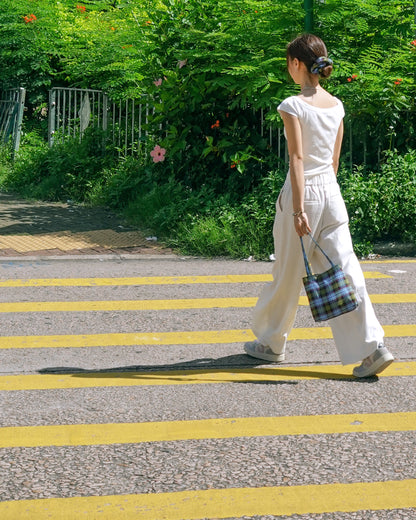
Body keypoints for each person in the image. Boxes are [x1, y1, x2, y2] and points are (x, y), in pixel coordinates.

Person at [244, 33, 394, 378]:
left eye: (288, 64)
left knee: (286, 273)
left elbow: (297, 158)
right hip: (331, 192)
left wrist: (299, 210)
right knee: (346, 271)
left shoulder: (292, 105)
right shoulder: (336, 105)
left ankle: (270, 343)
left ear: (297, 64)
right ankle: (373, 348)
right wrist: (325, 194)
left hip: (304, 193)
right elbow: (334, 159)